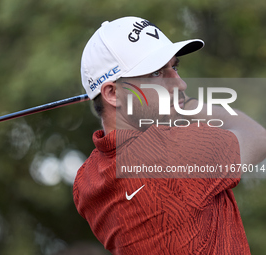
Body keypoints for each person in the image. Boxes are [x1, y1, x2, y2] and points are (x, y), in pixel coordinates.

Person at [73, 16, 266, 254]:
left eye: (173, 67)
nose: (180, 84)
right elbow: (257, 136)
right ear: (113, 93)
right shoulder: (174, 151)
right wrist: (188, 106)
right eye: (156, 73)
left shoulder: (86, 182)